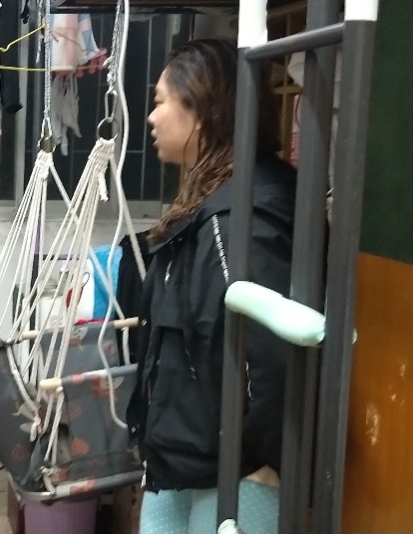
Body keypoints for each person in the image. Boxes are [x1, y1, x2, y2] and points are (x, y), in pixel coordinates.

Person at [126, 38, 295, 534]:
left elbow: (270, 355)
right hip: (181, 454)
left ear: (201, 110)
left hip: (238, 470)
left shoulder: (242, 215)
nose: (151, 117)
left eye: (160, 101)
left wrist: (265, 460)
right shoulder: (208, 203)